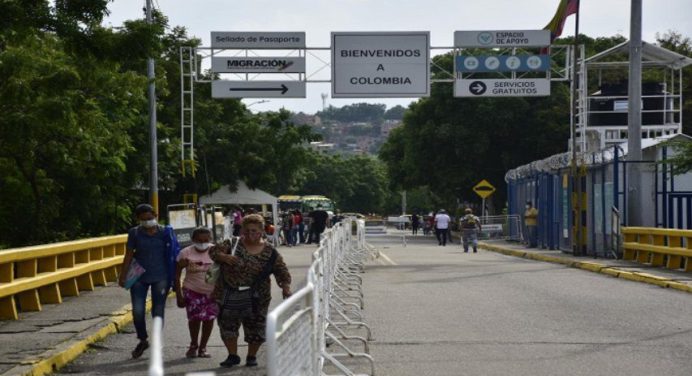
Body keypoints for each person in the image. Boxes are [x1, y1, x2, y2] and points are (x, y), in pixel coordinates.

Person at [209, 214, 292, 368]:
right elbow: (212, 252)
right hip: (229, 292)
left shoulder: (270, 251)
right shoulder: (232, 243)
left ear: (261, 231)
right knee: (227, 325)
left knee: (256, 326)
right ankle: (232, 355)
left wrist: (285, 287)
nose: (249, 234)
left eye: (254, 231)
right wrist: (224, 257)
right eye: (246, 231)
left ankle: (251, 356)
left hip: (257, 296)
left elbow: (281, 271)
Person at [118, 204, 180, 359]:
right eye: (143, 219)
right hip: (139, 276)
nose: (147, 221)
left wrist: (175, 276)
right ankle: (143, 339)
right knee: (137, 311)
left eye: (150, 218)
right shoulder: (134, 233)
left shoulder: (166, 232)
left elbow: (174, 252)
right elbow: (128, 255)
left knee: (158, 311)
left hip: (161, 275)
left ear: (155, 215)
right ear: (138, 219)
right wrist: (122, 275)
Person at [174, 227, 218, 358]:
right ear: (193, 240)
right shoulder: (185, 253)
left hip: (212, 292)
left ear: (210, 239)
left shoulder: (216, 252)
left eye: (206, 240)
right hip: (192, 290)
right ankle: (193, 344)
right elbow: (176, 276)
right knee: (194, 319)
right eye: (199, 240)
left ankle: (203, 347)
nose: (203, 243)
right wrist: (179, 296)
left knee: (209, 320)